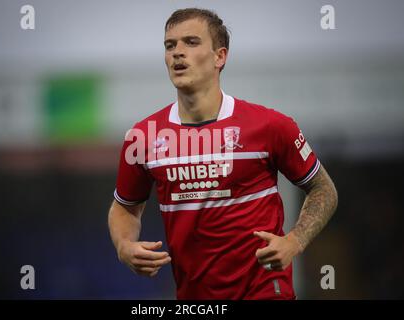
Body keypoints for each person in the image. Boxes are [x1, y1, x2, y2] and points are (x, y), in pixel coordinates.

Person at [108, 8, 338, 300]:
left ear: (220, 56)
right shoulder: (142, 137)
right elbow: (125, 206)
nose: (178, 53)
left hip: (266, 289)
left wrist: (295, 241)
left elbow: (323, 189)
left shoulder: (270, 126)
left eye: (191, 42)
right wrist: (124, 245)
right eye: (170, 45)